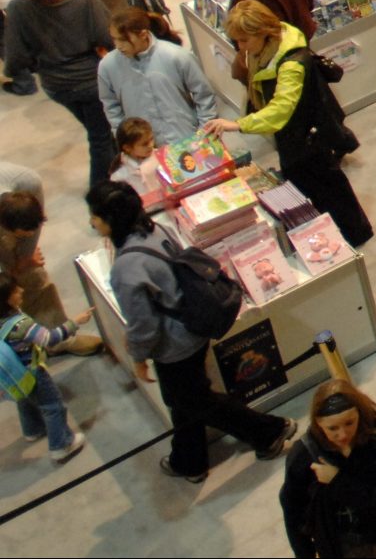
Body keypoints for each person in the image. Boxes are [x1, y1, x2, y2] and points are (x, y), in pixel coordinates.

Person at [91, 185, 294, 481]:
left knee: (196, 401)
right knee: (183, 400)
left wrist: (138, 356)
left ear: (111, 219)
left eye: (95, 216)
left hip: (173, 345)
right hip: (193, 326)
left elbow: (143, 323)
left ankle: (269, 431)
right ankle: (189, 460)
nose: (91, 222)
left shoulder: (126, 268)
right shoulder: (154, 230)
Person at [206, 0, 371, 245]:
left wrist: (238, 124)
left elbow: (281, 110)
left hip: (308, 136)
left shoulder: (291, 63)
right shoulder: (266, 50)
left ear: (263, 33)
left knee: (329, 187)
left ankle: (352, 237)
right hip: (294, 135)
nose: (240, 47)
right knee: (313, 185)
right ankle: (335, 235)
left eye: (244, 40)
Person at [5, 0, 114, 188]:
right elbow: (107, 37)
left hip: (56, 87)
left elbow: (15, 61)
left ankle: (117, 169)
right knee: (100, 137)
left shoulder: (18, 8)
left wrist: (39, 61)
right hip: (93, 80)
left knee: (100, 131)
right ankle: (101, 193)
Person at [278, 380, 376, 558]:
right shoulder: (303, 455)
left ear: (360, 414)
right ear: (318, 424)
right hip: (338, 545)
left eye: (349, 423)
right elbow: (293, 511)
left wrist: (337, 482)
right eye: (333, 428)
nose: (343, 434)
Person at [0, 187, 102, 357]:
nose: (31, 234)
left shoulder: (23, 183)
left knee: (35, 278)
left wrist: (26, 257)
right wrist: (21, 266)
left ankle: (57, 338)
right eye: (25, 233)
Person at [0, 271, 91, 462]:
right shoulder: (21, 325)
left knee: (25, 401)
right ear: (7, 300)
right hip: (33, 371)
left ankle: (32, 430)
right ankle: (61, 445)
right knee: (53, 406)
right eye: (16, 291)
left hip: (16, 375)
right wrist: (74, 323)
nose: (21, 291)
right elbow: (49, 339)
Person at [96, 8, 215, 146]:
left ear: (143, 34)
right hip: (144, 150)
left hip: (186, 140)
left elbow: (204, 95)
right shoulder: (108, 66)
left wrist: (202, 134)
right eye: (114, 39)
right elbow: (111, 107)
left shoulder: (177, 56)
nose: (118, 45)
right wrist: (127, 140)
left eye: (123, 40)